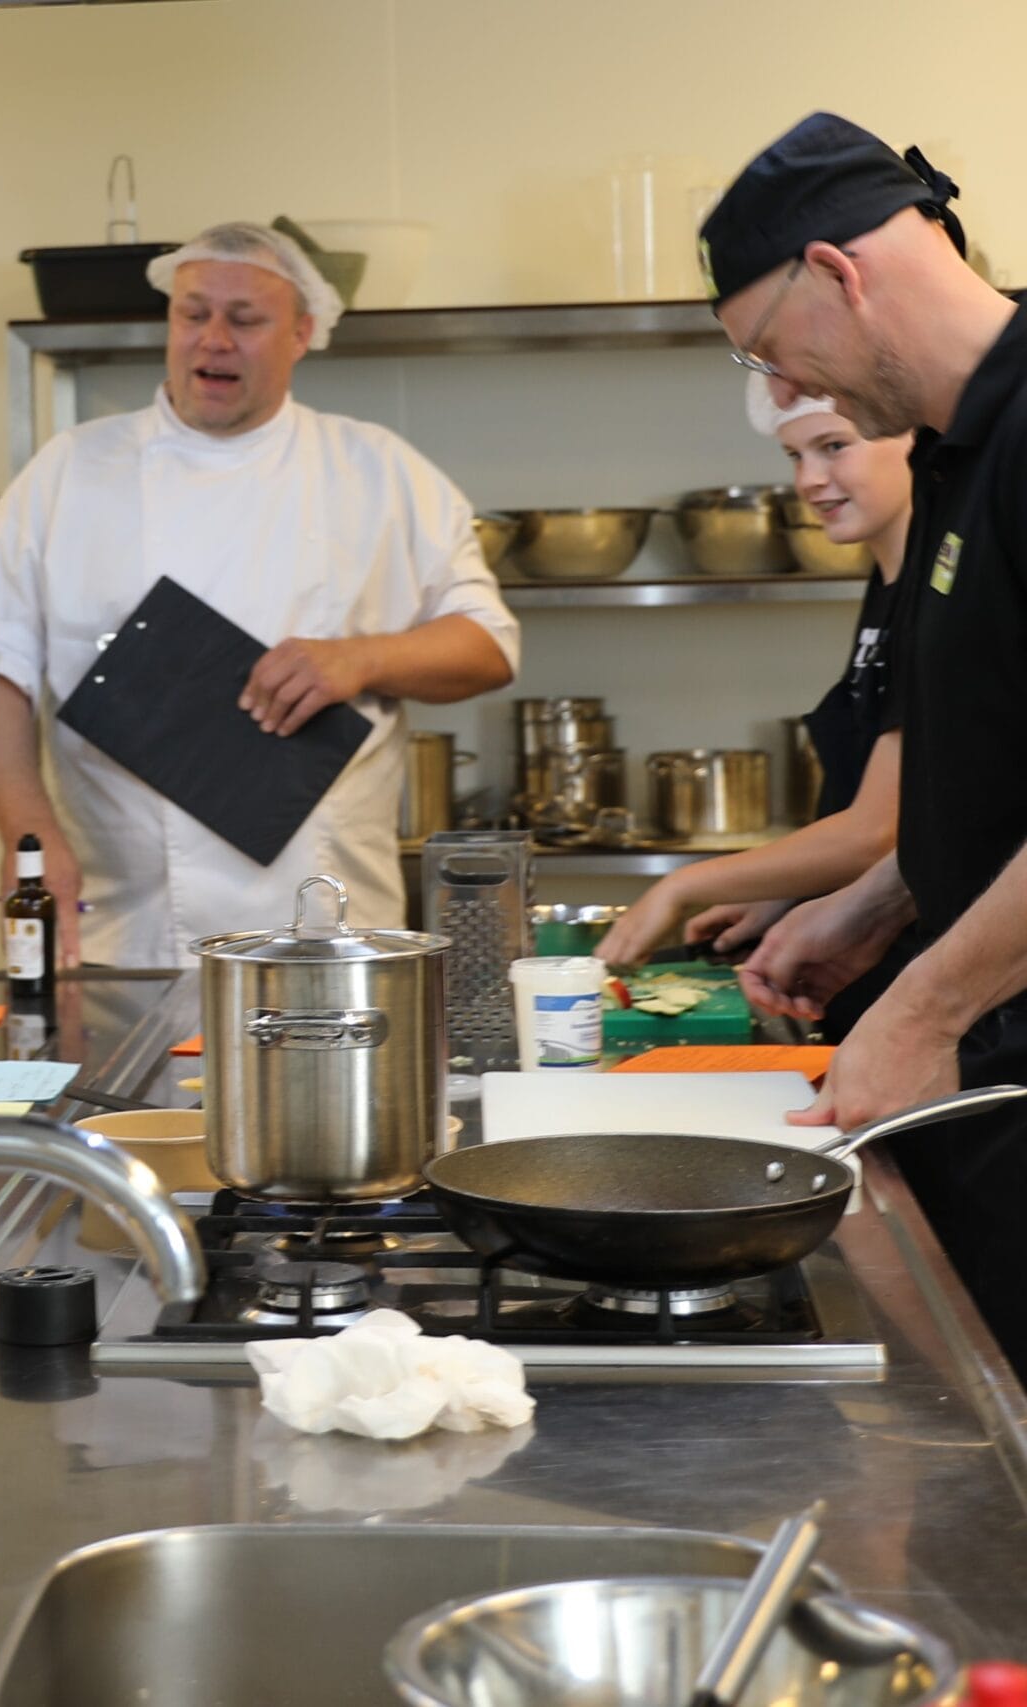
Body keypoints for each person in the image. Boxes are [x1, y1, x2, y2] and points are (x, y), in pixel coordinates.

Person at [0, 222, 520, 966]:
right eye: (193, 314)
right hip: (127, 928)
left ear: (303, 332)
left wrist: (362, 659)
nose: (213, 339)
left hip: (331, 927)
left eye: (246, 319)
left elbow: (488, 646)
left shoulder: (379, 470)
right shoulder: (67, 474)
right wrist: (29, 841)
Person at [698, 113, 1027, 1357]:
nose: (782, 395)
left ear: (837, 273)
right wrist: (879, 902)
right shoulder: (954, 457)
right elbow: (996, 776)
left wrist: (923, 1011)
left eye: (769, 354)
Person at [594, 374, 914, 1027]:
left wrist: (682, 886)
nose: (809, 480)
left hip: (933, 986)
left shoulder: (939, 597)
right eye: (795, 455)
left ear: (916, 439)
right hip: (866, 969)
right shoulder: (885, 583)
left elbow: (876, 831)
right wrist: (781, 897)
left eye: (833, 446)